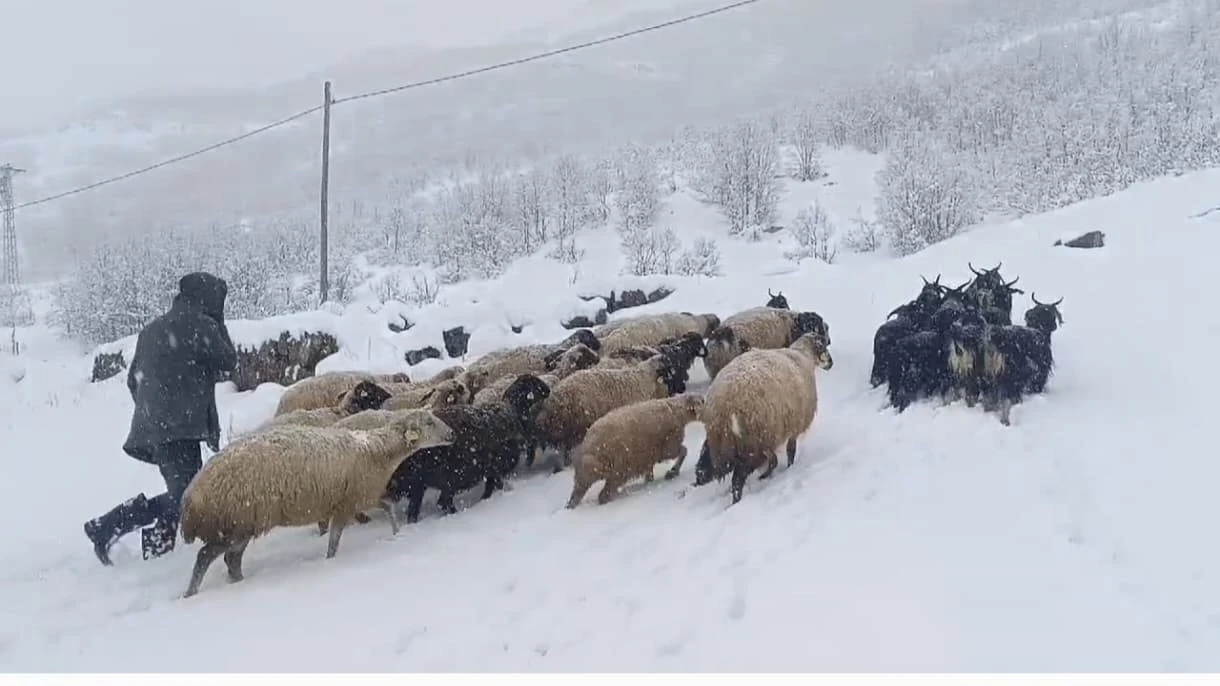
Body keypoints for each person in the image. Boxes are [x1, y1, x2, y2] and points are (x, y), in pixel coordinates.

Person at [83, 271, 238, 565]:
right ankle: (107, 527)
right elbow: (229, 360)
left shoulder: (152, 329)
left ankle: (158, 554)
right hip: (181, 428)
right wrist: (218, 322)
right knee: (188, 495)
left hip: (157, 425)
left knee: (185, 493)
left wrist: (154, 411)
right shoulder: (202, 324)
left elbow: (133, 380)